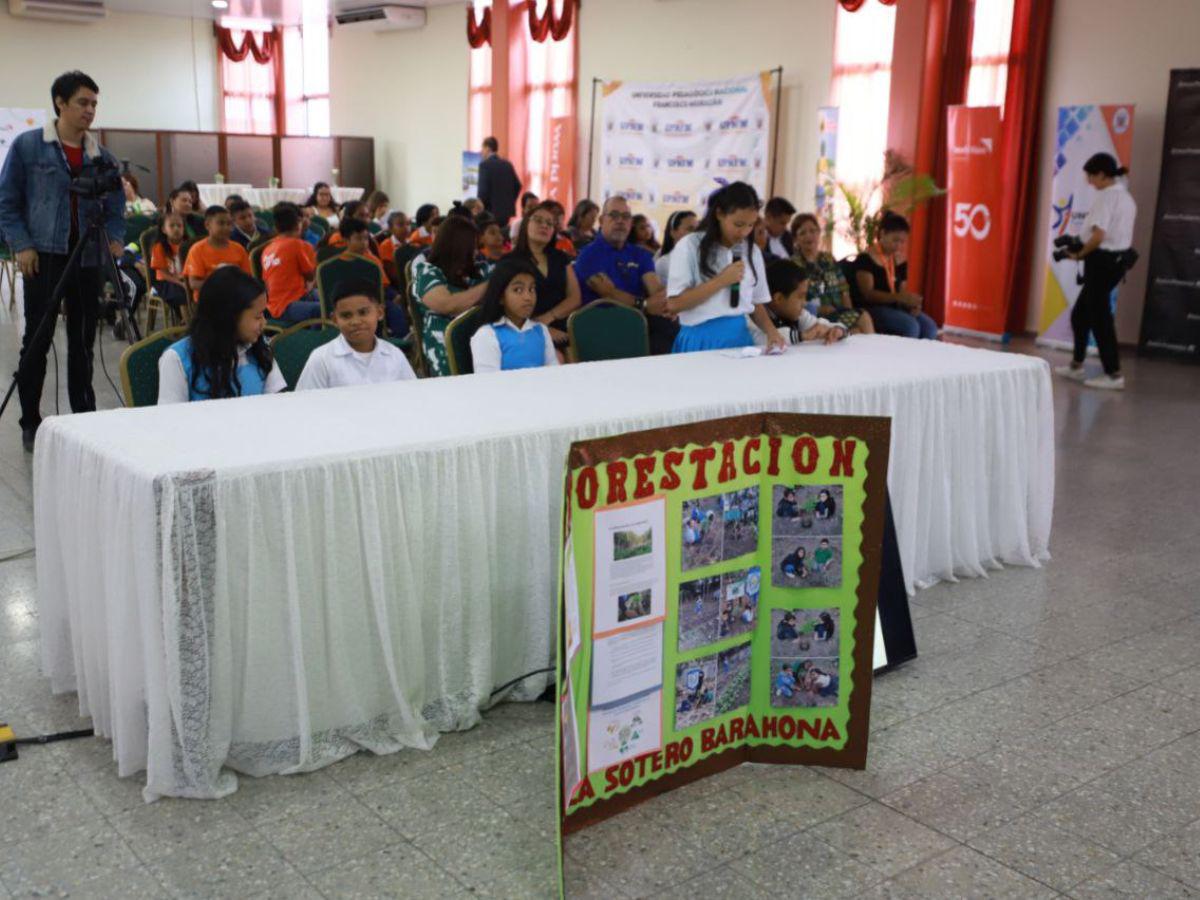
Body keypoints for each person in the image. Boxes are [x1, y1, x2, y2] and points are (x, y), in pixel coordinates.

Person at [0, 72, 126, 451]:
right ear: (60, 102)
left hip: (86, 256)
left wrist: (116, 239)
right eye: (82, 102)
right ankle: (30, 422)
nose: (90, 110)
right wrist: (21, 245)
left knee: (83, 342)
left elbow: (117, 205)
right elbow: (7, 203)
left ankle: (84, 416)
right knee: (36, 341)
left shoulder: (101, 157)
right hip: (44, 256)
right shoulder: (27, 147)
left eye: (94, 104)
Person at [666, 182, 786, 354]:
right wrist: (721, 281)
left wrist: (771, 331)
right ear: (720, 214)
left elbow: (754, 302)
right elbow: (674, 304)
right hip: (699, 340)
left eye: (750, 225)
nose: (744, 232)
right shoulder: (690, 246)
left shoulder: (752, 252)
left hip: (739, 339)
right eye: (738, 224)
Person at [1055, 152, 1136, 391]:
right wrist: (1076, 243)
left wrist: (1078, 254)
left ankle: (1113, 374)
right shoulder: (1125, 198)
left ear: (1101, 174)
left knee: (1100, 319)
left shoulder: (1107, 198)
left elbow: (1099, 236)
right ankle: (1077, 365)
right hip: (1115, 262)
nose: (1089, 181)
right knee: (1081, 315)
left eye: (1090, 176)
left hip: (1102, 263)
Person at [157, 266, 285, 403]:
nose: (264, 323)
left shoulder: (259, 351)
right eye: (258, 316)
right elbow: (172, 419)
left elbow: (276, 405)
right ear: (230, 317)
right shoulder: (177, 359)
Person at [573, 195, 678, 355]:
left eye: (626, 217)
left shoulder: (640, 254)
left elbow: (655, 288)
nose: (620, 221)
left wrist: (662, 303)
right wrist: (645, 305)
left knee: (673, 328)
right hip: (601, 321)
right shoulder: (589, 255)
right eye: (614, 216)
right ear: (601, 221)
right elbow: (608, 295)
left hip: (638, 320)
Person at [296, 279, 415, 391]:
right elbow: (306, 407)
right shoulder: (321, 359)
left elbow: (411, 398)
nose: (356, 322)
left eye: (363, 312)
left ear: (379, 313)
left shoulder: (394, 355)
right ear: (335, 319)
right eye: (346, 316)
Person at [411, 215, 490, 376]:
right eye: (472, 247)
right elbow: (447, 305)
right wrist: (490, 285)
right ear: (456, 247)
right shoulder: (427, 271)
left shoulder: (480, 270)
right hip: (444, 341)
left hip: (484, 336)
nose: (476, 252)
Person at [505, 201, 582, 350]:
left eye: (550, 223)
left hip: (561, 324)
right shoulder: (510, 262)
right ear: (526, 224)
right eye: (538, 220)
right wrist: (539, 328)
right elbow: (508, 307)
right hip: (524, 327)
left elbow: (575, 297)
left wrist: (549, 317)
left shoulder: (560, 257)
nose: (545, 226)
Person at [852, 211, 938, 339]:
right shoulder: (865, 259)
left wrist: (911, 305)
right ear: (882, 234)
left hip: (895, 307)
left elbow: (901, 290)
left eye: (902, 242)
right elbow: (868, 294)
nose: (898, 246)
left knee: (930, 327)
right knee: (911, 326)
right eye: (895, 240)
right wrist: (898, 298)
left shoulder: (899, 261)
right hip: (872, 309)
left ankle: (920, 358)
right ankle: (900, 357)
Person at [469, 257, 559, 374]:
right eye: (518, 290)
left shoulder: (541, 330)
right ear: (501, 297)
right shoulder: (487, 335)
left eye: (531, 289)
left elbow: (554, 373)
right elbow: (488, 385)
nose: (528, 297)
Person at [790, 213, 873, 335]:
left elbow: (844, 290)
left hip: (837, 312)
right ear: (795, 239)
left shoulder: (828, 259)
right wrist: (819, 309)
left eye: (813, 231)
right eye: (803, 233)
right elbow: (793, 298)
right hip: (812, 316)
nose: (809, 236)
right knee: (863, 317)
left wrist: (848, 311)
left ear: (819, 233)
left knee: (857, 330)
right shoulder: (793, 264)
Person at [752, 259, 846, 349]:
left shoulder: (799, 315)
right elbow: (759, 339)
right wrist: (802, 336)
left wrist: (838, 330)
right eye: (800, 297)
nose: (804, 303)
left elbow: (823, 325)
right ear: (779, 298)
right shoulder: (753, 314)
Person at [261, 203, 319, 323]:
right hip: (286, 306)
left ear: (276, 227)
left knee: (325, 299)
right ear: (299, 224)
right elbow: (310, 275)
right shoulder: (297, 245)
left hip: (274, 304)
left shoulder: (267, 248)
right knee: (322, 309)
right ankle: (314, 341)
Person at [182, 205, 253, 301]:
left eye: (229, 224)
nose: (226, 228)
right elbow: (194, 283)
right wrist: (221, 285)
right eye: (221, 223)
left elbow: (247, 277)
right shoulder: (197, 250)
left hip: (236, 298)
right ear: (207, 225)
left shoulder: (238, 248)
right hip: (209, 300)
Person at [148, 211, 189, 317]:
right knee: (182, 293)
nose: (176, 229)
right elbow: (163, 274)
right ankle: (186, 322)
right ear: (163, 230)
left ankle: (193, 318)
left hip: (183, 278)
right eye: (172, 226)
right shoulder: (159, 247)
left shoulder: (188, 245)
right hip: (165, 282)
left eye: (179, 226)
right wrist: (180, 282)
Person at [477, 136, 522, 225]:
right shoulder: (508, 164)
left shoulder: (485, 165)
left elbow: (483, 192)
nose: (481, 152)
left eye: (482, 148)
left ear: (487, 148)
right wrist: (509, 200)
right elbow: (518, 185)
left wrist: (480, 209)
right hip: (506, 212)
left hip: (490, 212)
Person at [655, 209, 698, 285]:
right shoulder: (665, 263)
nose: (696, 234)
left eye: (697, 229)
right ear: (673, 233)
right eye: (690, 229)